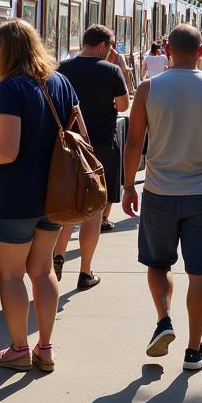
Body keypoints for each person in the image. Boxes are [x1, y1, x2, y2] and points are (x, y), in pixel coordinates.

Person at [0, 18, 78, 373]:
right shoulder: (60, 81)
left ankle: (18, 348)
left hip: (14, 195)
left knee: (10, 276)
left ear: (6, 51)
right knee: (43, 269)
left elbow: (8, 152)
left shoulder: (11, 88)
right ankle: (45, 347)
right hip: (55, 193)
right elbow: (76, 135)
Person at [122, 24, 202, 371]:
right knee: (200, 272)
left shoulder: (148, 88)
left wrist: (128, 186)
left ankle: (164, 319)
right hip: (201, 192)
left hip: (159, 191)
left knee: (158, 264)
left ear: (167, 51)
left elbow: (133, 143)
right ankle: (194, 348)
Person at [53, 24, 130, 286]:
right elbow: (123, 105)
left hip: (68, 146)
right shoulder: (111, 70)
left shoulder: (62, 68)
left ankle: (59, 255)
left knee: (68, 205)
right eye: (110, 48)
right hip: (100, 145)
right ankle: (85, 271)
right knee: (93, 208)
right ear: (102, 46)